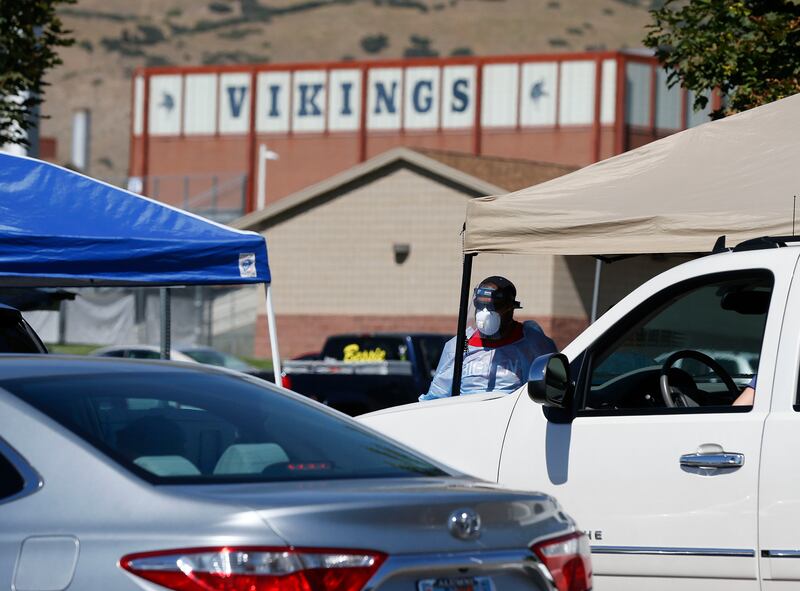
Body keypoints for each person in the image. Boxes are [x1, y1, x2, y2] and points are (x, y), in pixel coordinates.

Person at [420, 276, 557, 401]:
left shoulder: (529, 341)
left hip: (510, 421)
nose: (485, 312)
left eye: (493, 307)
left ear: (510, 309)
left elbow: (550, 387)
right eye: (481, 305)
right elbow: (437, 396)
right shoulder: (463, 344)